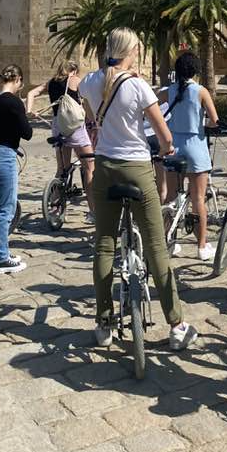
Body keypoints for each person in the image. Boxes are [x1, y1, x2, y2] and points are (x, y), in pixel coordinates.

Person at [79, 28, 197, 351]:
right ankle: (176, 324)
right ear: (131, 51)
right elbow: (163, 134)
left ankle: (104, 323)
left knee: (104, 245)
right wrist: (167, 149)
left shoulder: (91, 81)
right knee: (156, 246)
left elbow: (90, 115)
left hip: (105, 167)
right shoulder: (137, 86)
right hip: (137, 168)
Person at [159, 52, 219, 261]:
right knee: (198, 199)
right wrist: (203, 124)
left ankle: (166, 238)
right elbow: (214, 119)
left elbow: (153, 107)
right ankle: (202, 246)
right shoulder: (201, 91)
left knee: (169, 198)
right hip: (195, 146)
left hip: (174, 145)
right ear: (196, 70)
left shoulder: (169, 91)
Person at [26, 60, 95, 220]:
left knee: (61, 169)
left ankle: (55, 207)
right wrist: (93, 123)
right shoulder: (75, 81)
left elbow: (32, 93)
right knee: (90, 167)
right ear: (74, 70)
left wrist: (29, 110)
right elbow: (86, 103)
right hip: (74, 128)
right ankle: (93, 211)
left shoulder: (51, 83)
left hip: (58, 127)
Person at [0, 65, 32, 273]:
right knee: (5, 209)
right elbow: (26, 132)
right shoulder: (13, 101)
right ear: (18, 79)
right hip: (4, 156)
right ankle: (1, 259)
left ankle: (0, 251)